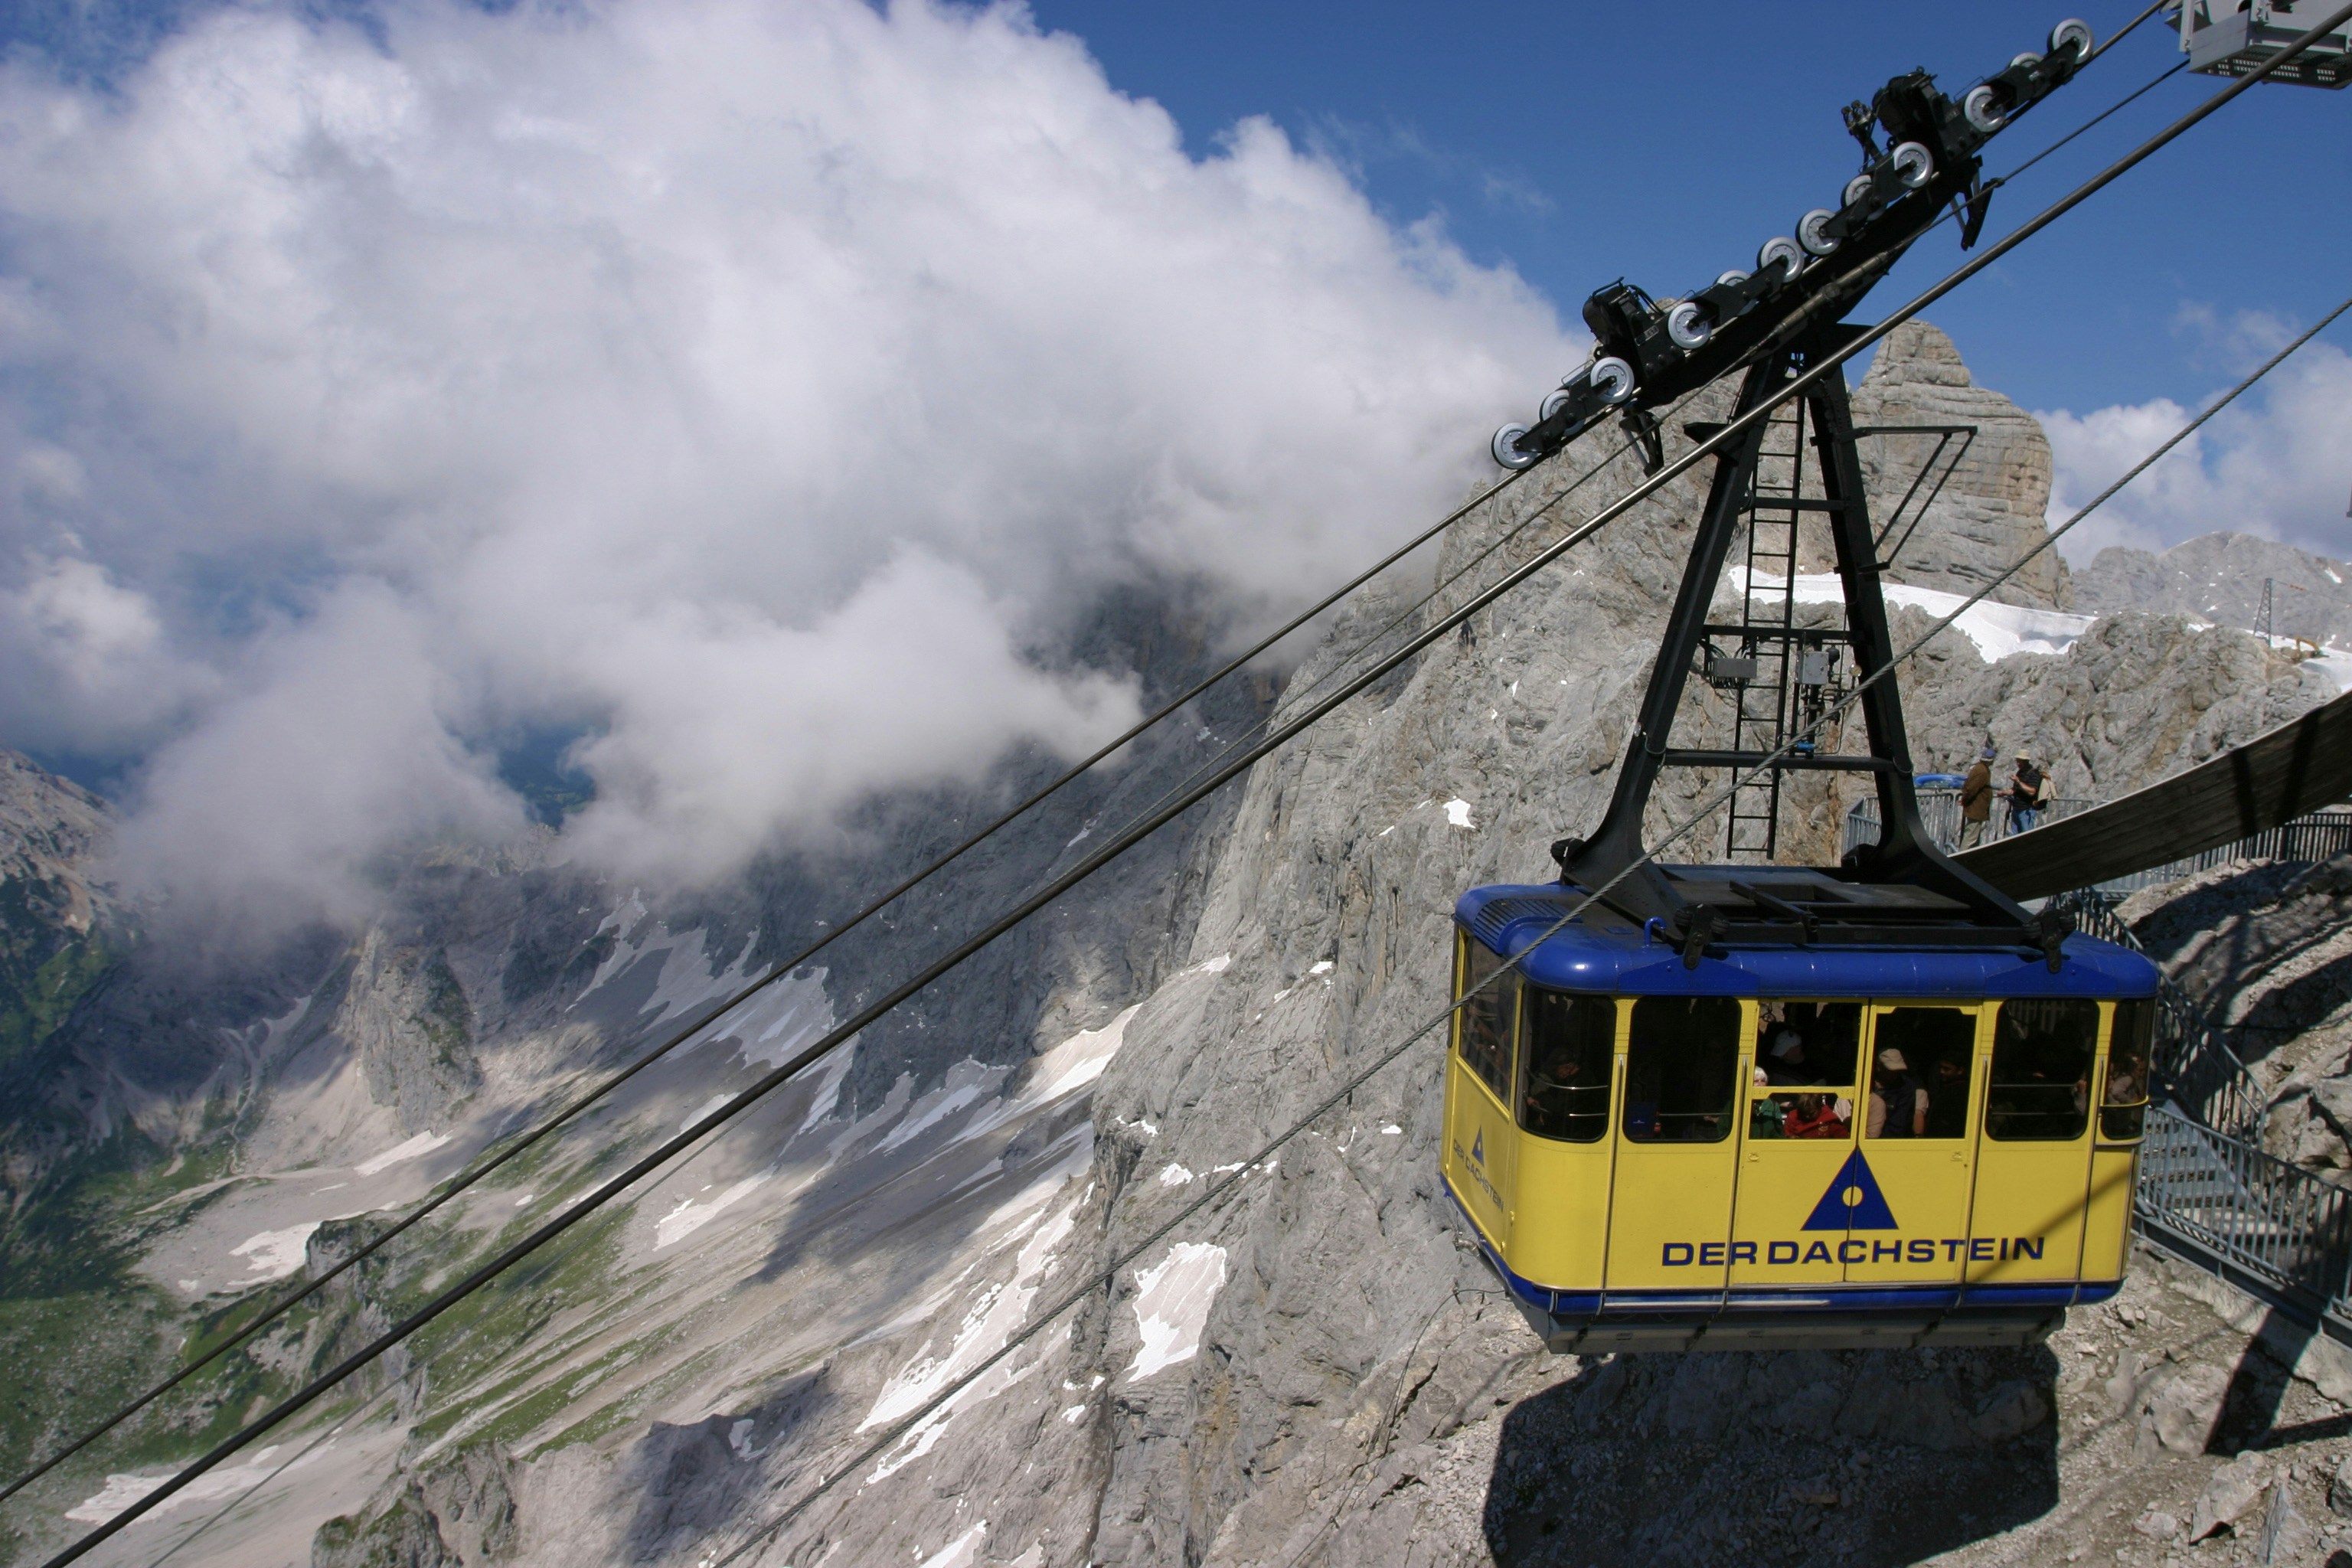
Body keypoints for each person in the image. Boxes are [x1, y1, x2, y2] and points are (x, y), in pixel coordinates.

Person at [1867, 1048, 1929, 1138]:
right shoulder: (1866, 1081)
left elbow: (1898, 1123)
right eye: (1891, 1071)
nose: (1895, 1074)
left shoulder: (1906, 1087)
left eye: (1898, 1071)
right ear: (1879, 1067)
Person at [1958, 746, 1996, 850]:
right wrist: (1965, 800)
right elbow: (1971, 789)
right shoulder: (1982, 771)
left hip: (1977, 808)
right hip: (1976, 809)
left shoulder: (1980, 768)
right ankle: (1961, 857)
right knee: (1970, 837)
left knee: (1973, 836)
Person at [2006, 751, 2044, 835]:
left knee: (2027, 835)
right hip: (2017, 809)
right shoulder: (2020, 773)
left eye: (2021, 761)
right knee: (2014, 835)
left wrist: (2018, 781)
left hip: (2026, 810)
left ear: (2026, 761)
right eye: (2018, 761)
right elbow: (2015, 790)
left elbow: (2032, 791)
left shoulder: (2034, 774)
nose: (2018, 763)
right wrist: (2004, 792)